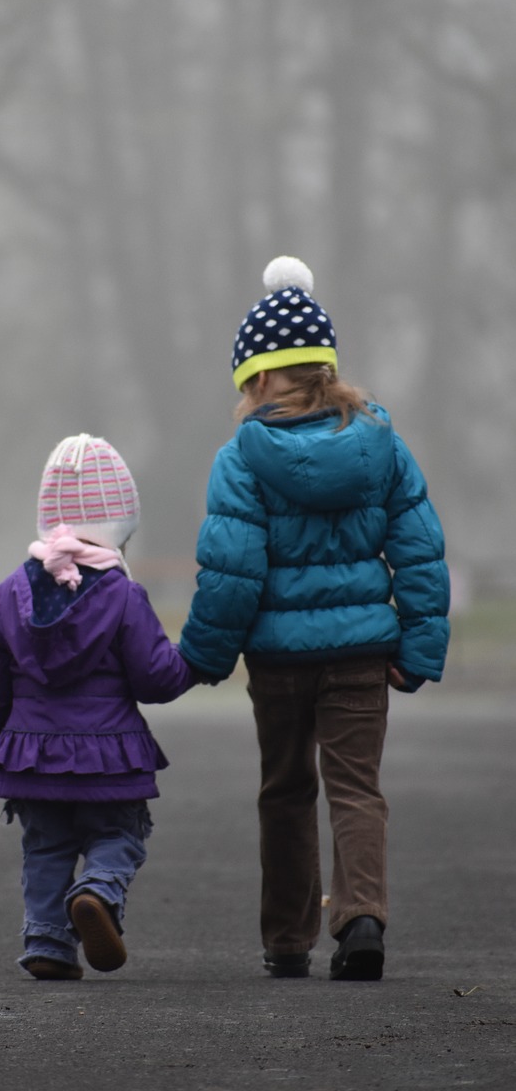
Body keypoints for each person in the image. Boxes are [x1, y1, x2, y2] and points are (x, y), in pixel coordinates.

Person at [179, 256, 449, 982]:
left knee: (286, 789)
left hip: (277, 661)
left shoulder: (240, 458)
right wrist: (419, 648)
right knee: (356, 788)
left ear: (261, 377)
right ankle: (360, 917)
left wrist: (203, 655)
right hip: (363, 651)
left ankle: (287, 938)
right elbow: (418, 552)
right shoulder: (382, 445)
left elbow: (232, 572)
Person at [0, 433, 196, 981]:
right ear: (121, 522)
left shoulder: (6, 594)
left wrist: (1, 750)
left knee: (46, 848)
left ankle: (48, 942)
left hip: (29, 754)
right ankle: (96, 892)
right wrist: (197, 660)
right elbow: (154, 678)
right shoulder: (122, 595)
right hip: (110, 755)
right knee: (117, 834)